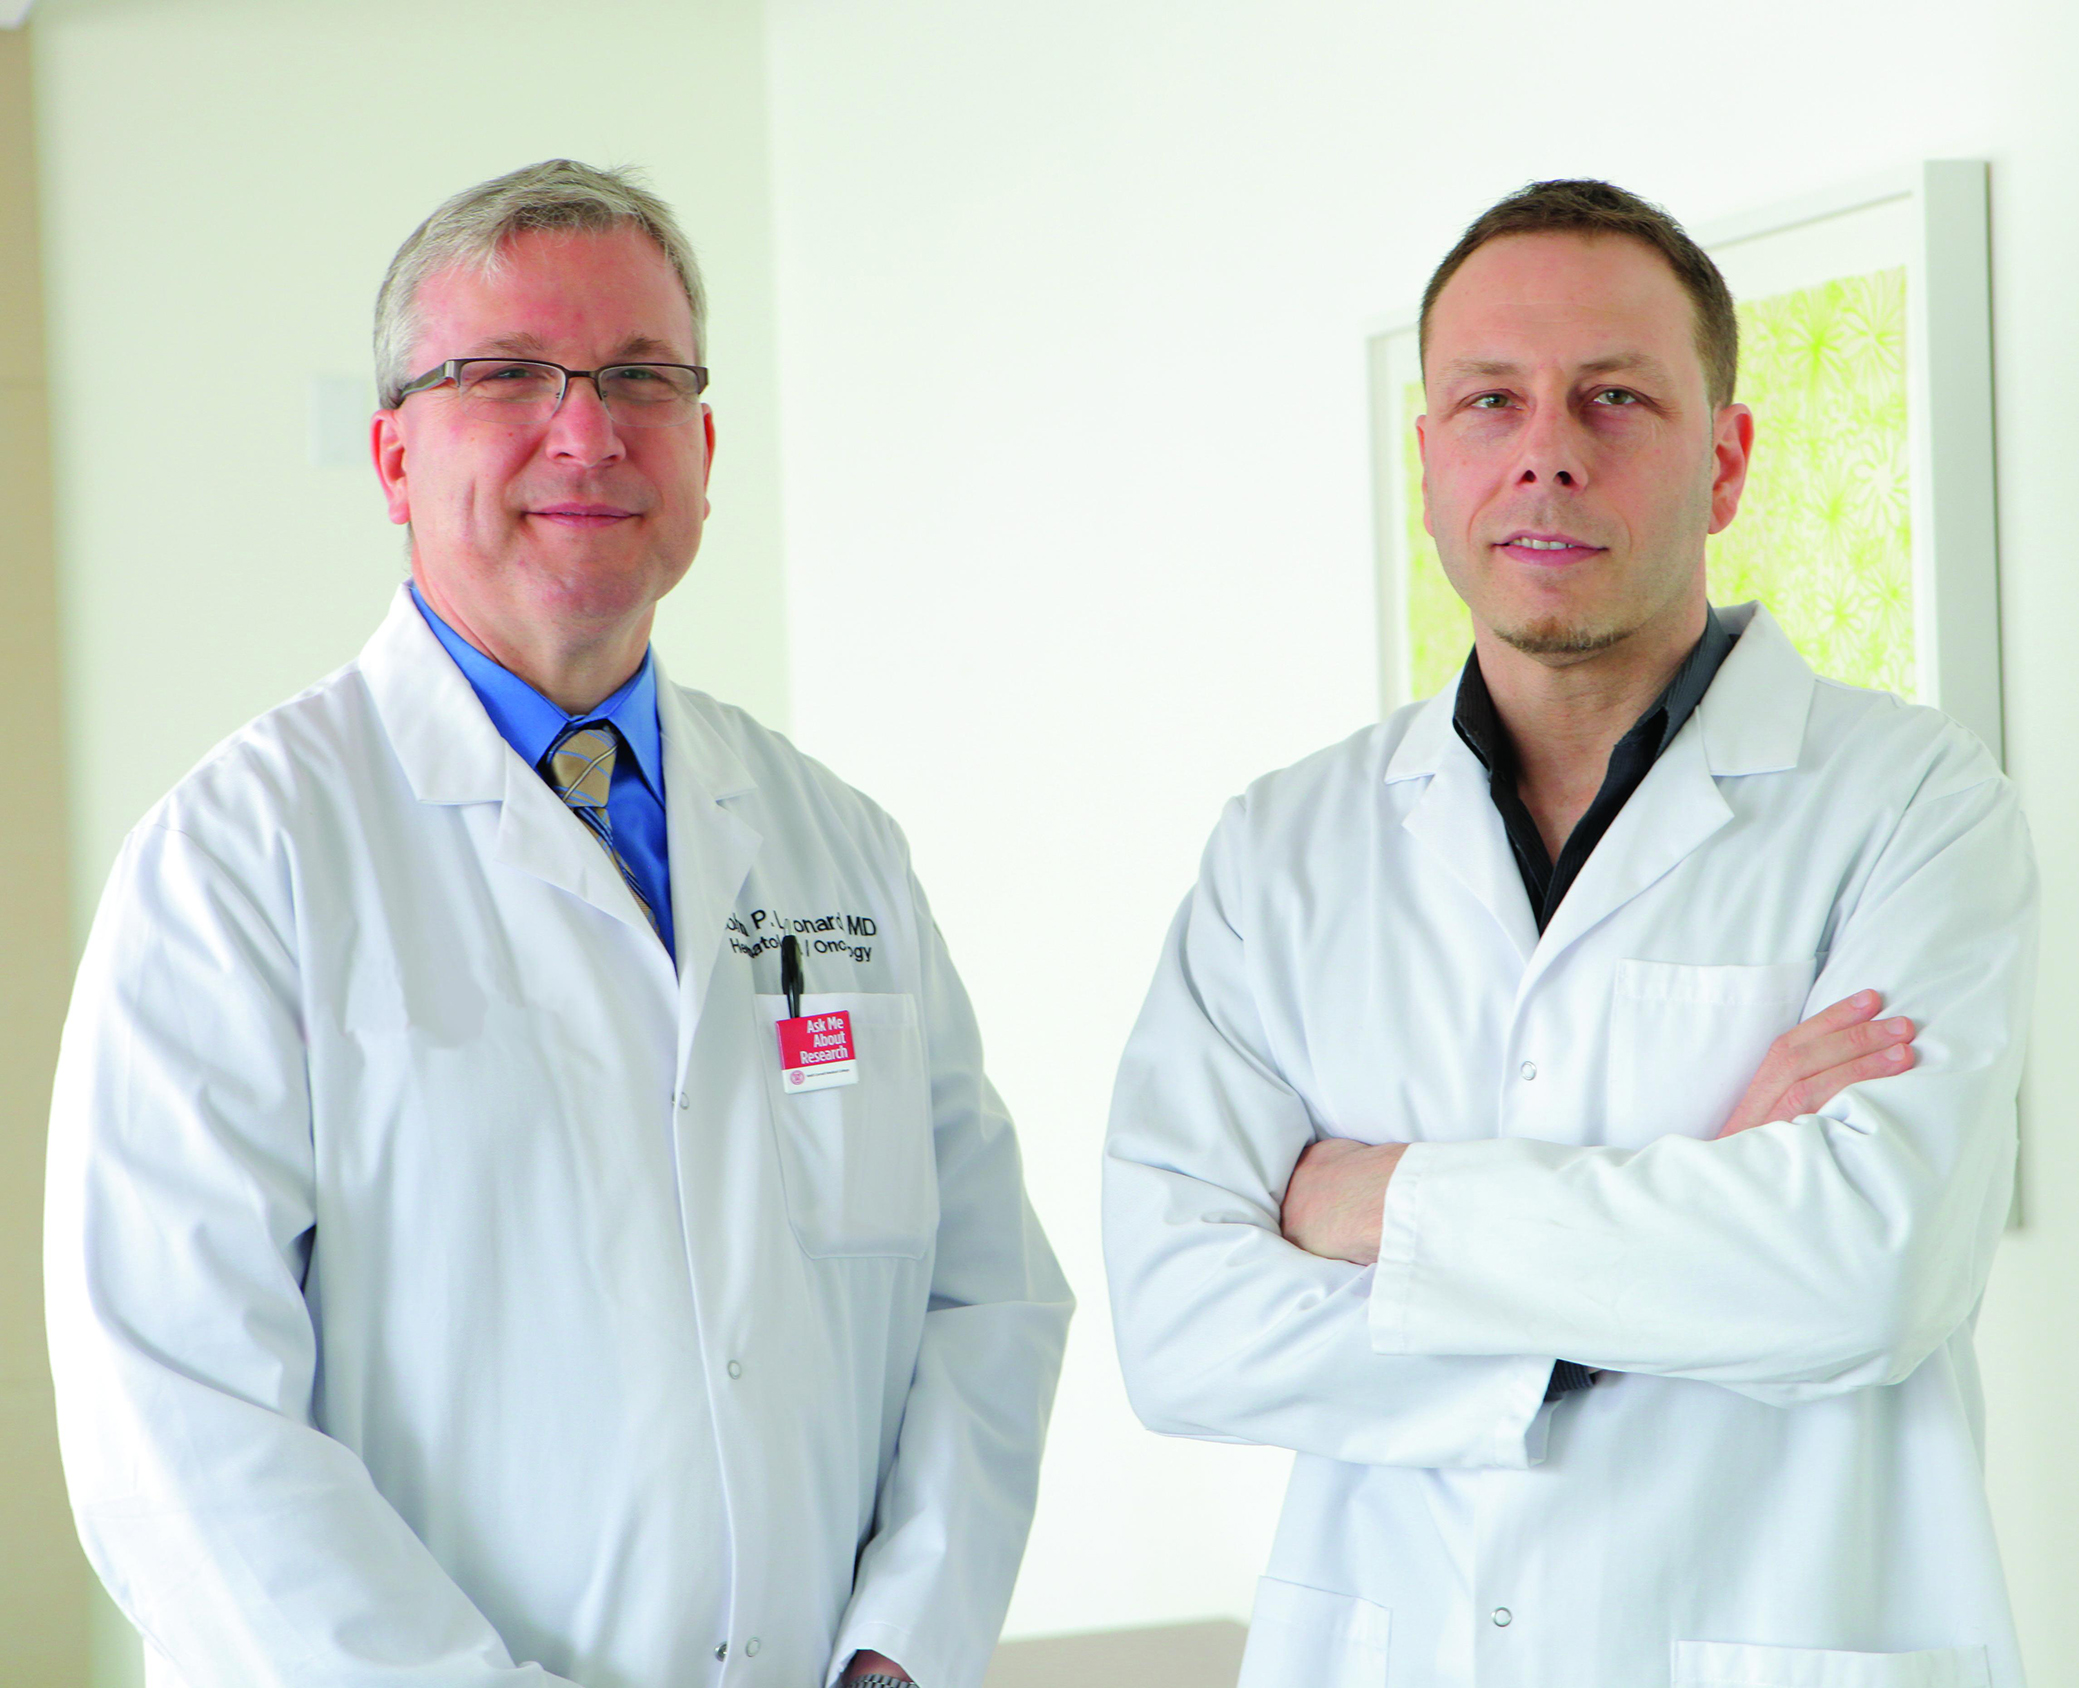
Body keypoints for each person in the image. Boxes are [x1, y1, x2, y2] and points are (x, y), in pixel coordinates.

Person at [45, 159, 1071, 1688]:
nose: (587, 432)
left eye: (643, 377)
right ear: (394, 455)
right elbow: (178, 1431)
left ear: (705, 450)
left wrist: (896, 1654)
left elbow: (986, 1298)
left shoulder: (835, 845)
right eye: (507, 374)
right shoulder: (238, 863)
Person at [1103, 179, 2035, 1687]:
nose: (1547, 449)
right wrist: (1701, 1226)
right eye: (1491, 400)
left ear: (1725, 463)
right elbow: (1181, 1326)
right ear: (1426, 461)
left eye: (1615, 397)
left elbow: (1868, 1274)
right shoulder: (1283, 848)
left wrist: (1382, 1202)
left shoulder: (1915, 802)